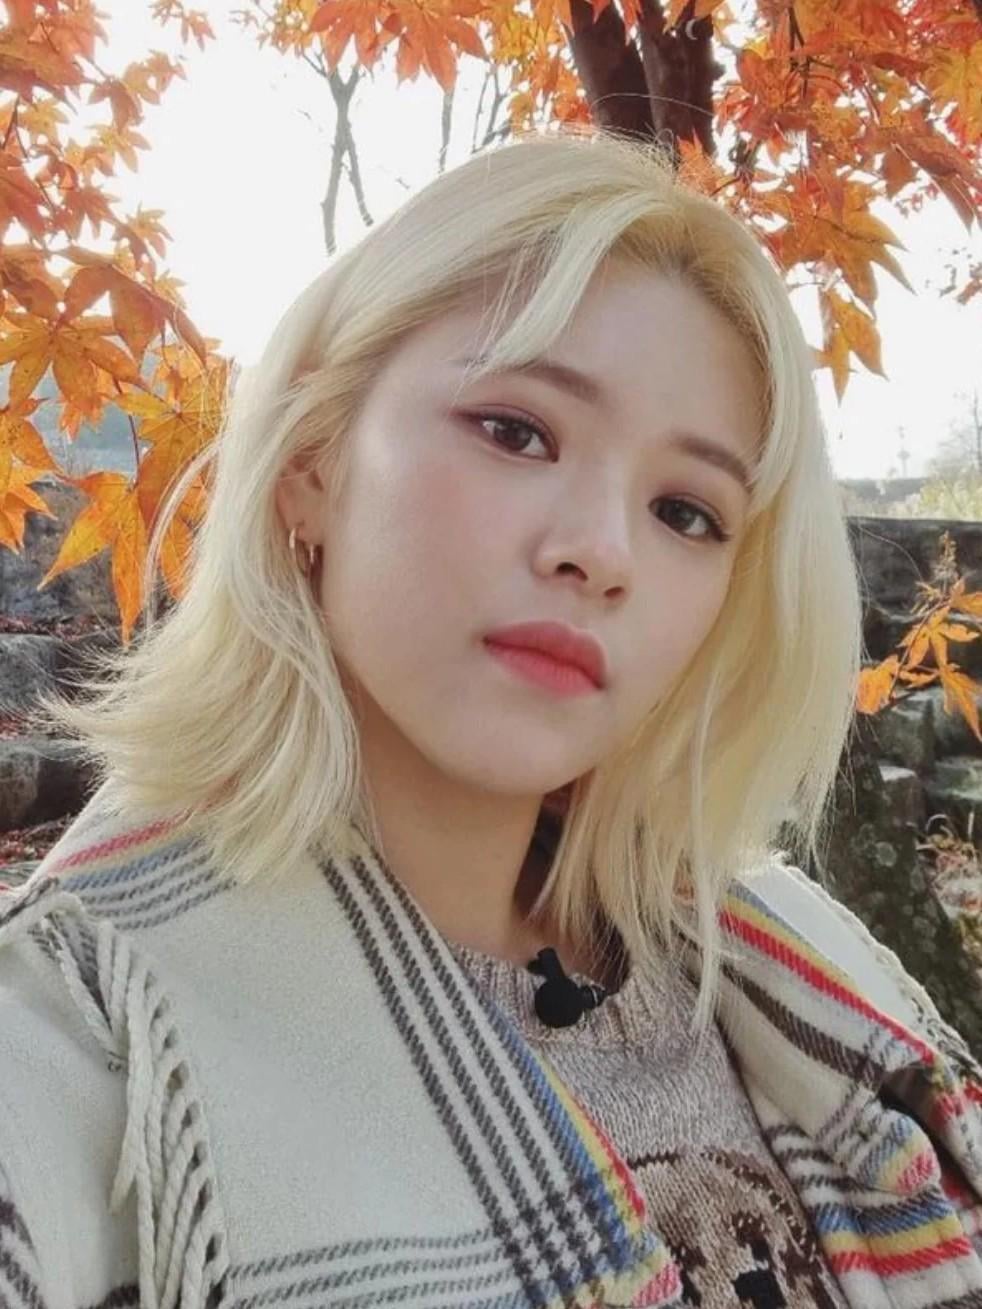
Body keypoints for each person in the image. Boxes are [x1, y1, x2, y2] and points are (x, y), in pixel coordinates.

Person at [0, 126, 979, 1309]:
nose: (601, 552)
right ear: (312, 461)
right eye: (517, 432)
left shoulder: (801, 961)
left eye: (685, 511)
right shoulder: (82, 1038)